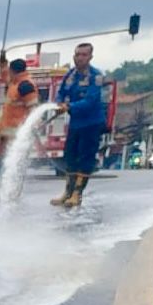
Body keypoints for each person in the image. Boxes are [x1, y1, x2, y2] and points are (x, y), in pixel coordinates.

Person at [51, 42, 106, 208]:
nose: (79, 58)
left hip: (91, 123)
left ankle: (77, 193)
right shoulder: (70, 75)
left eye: (84, 55)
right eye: (77, 54)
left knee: (85, 158)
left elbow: (90, 101)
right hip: (75, 123)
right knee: (70, 156)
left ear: (90, 57)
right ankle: (67, 192)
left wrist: (70, 107)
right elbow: (61, 93)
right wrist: (59, 104)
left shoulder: (95, 76)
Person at [0, 55, 40, 165]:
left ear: (13, 71)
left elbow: (33, 109)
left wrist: (31, 128)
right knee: (3, 161)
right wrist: (3, 63)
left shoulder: (25, 86)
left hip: (17, 133)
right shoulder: (14, 83)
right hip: (7, 133)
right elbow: (5, 76)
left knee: (13, 163)